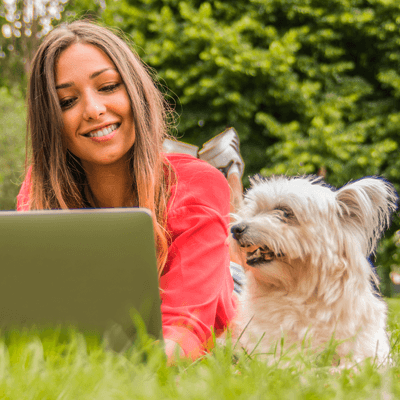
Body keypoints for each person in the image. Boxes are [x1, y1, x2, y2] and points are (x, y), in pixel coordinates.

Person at [16, 20, 245, 363]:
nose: (93, 109)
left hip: (224, 289)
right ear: (50, 120)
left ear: (135, 90)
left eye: (107, 86)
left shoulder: (196, 185)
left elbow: (186, 327)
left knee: (238, 257)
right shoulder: (40, 188)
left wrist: (151, 362)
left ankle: (231, 173)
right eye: (67, 101)